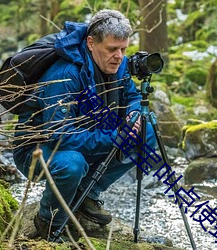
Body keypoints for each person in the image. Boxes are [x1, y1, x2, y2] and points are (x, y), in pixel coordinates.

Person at [13, 9, 157, 241]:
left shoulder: (117, 64)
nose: (119, 56)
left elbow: (131, 96)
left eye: (124, 49)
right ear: (91, 43)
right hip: (38, 149)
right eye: (112, 49)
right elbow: (59, 135)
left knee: (146, 132)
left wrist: (133, 114)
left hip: (88, 134)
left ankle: (87, 193)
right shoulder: (64, 75)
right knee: (72, 164)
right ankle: (48, 221)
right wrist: (115, 136)